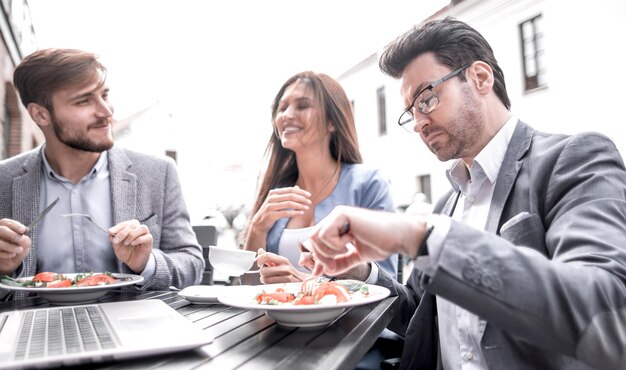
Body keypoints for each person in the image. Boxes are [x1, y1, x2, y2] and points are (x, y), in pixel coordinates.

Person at [306, 18, 626, 370]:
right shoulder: (448, 204)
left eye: (426, 99)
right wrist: (361, 272)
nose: (419, 122)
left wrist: (417, 235)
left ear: (480, 78)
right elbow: (421, 316)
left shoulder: (573, 158)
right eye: (410, 112)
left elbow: (607, 314)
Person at [0, 48, 204, 301]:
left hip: (135, 330)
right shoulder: (4, 181)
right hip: (32, 331)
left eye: (104, 95)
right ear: (40, 114)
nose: (106, 111)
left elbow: (192, 265)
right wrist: (4, 269)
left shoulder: (157, 173)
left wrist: (146, 263)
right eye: (84, 101)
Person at [242, 70, 398, 284]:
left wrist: (307, 285)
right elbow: (248, 286)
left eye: (302, 105)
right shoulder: (275, 190)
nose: (286, 115)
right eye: (282, 107)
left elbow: (387, 283)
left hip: (347, 318)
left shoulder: (368, 183)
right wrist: (257, 227)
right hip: (276, 318)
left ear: (332, 122)